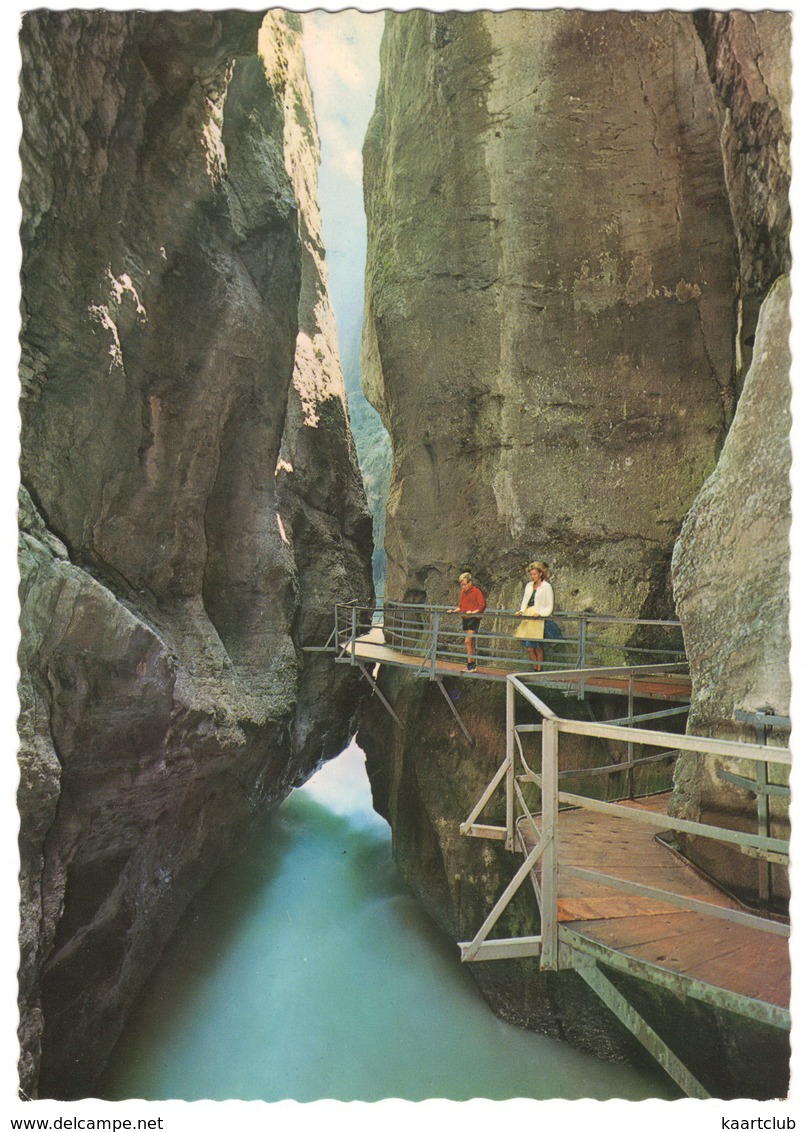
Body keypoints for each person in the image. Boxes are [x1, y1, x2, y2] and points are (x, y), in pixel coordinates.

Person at [515, 561, 554, 671]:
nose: (533, 577)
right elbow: (525, 601)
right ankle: (534, 667)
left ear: (540, 574)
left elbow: (549, 605)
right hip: (529, 616)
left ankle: (539, 669)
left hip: (538, 617)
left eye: (535, 574)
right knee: (530, 647)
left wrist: (541, 614)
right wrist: (521, 611)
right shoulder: (529, 586)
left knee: (537, 646)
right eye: (531, 574)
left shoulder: (547, 587)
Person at [449, 572, 487, 671]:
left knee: (468, 641)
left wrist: (473, 612)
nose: (463, 587)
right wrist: (453, 611)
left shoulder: (476, 591)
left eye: (465, 584)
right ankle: (473, 665)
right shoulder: (463, 593)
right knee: (471, 643)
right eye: (461, 585)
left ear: (470, 582)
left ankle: (469, 665)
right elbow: (461, 606)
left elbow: (482, 605)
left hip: (473, 619)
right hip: (465, 618)